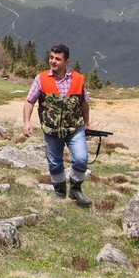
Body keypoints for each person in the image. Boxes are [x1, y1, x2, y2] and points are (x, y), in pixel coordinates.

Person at [23, 44, 92, 206]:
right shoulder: (41, 78)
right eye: (51, 57)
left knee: (81, 159)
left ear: (66, 61)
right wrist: (26, 123)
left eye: (57, 59)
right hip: (51, 130)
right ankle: (60, 193)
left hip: (75, 129)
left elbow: (84, 104)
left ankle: (75, 188)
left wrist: (87, 123)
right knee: (55, 163)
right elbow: (29, 102)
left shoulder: (78, 79)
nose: (53, 61)